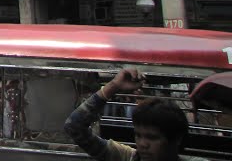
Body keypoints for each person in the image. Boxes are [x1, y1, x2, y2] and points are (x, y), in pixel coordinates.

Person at [64, 67, 208, 161]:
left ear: (176, 140)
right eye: (138, 135)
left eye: (152, 138)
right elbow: (74, 126)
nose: (142, 144)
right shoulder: (127, 157)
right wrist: (113, 86)